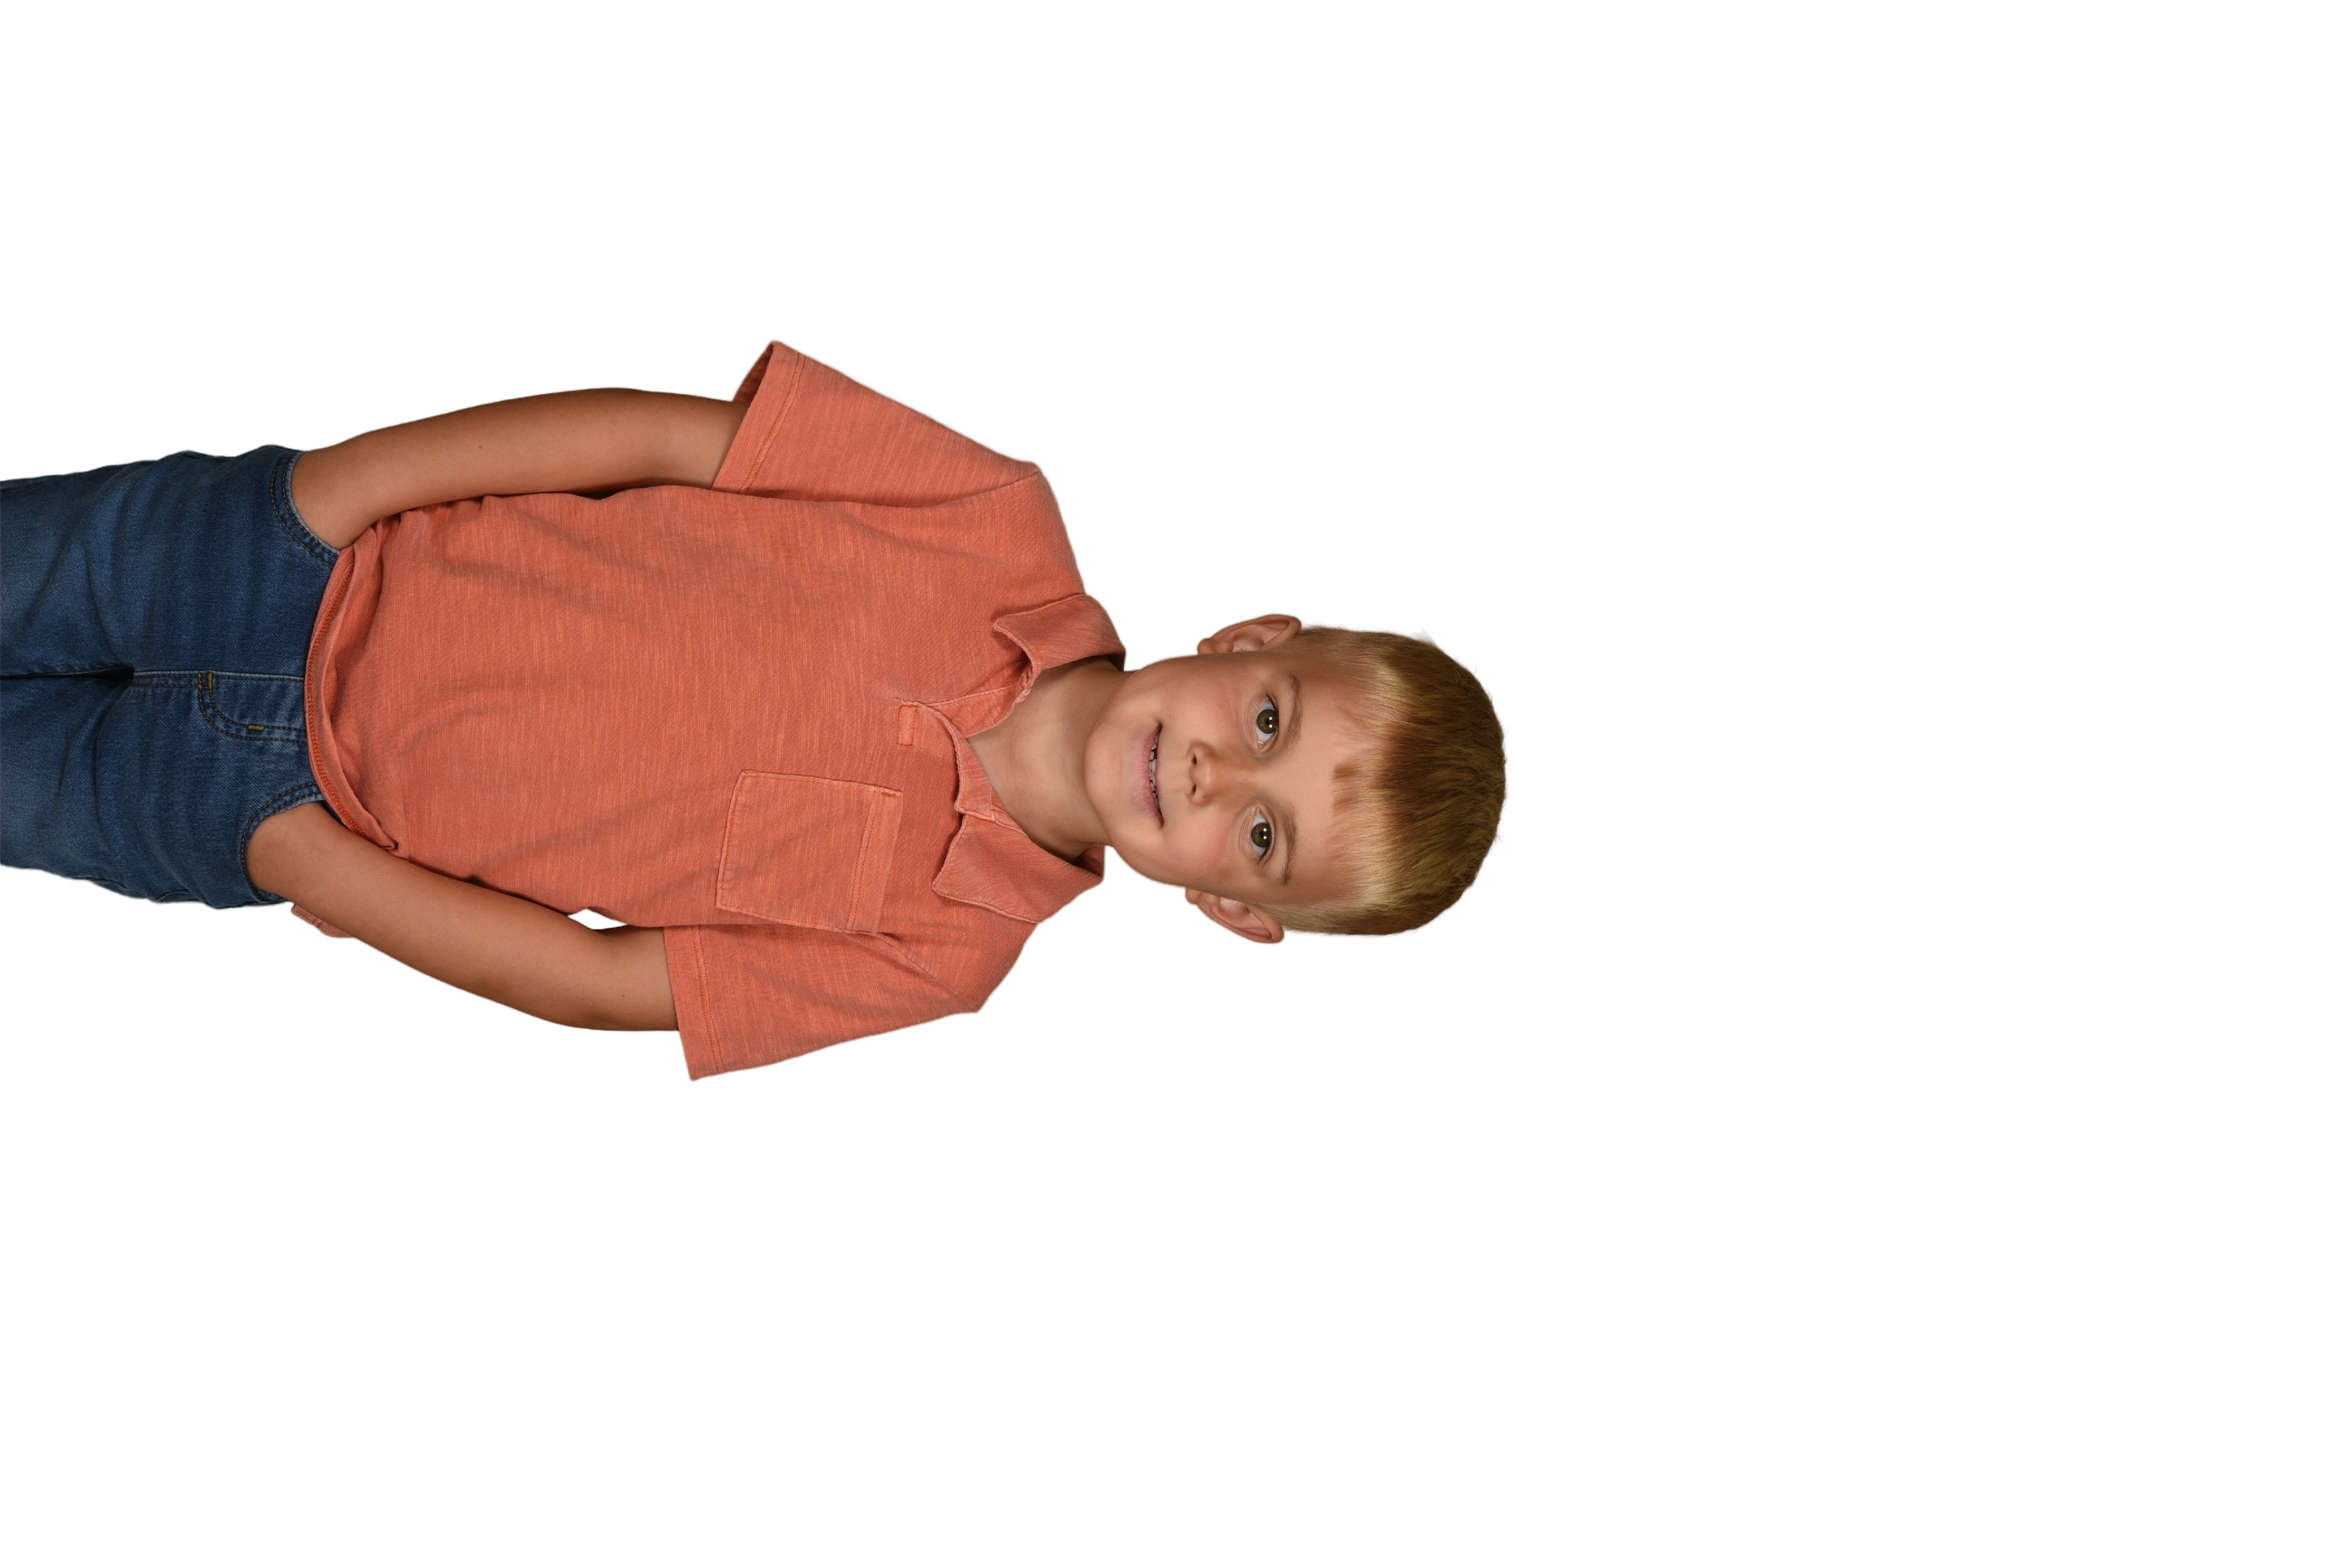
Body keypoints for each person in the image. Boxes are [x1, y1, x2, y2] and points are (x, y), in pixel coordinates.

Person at [1, 338, 1513, 1080]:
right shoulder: (992, 510)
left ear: (1234, 915)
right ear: (1254, 636)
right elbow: (661, 437)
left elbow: (604, 983)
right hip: (287, 554)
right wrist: (339, 490)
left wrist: (318, 870)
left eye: (1262, 837)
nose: (1212, 774)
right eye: (1269, 724)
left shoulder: (944, 956)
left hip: (271, 814)